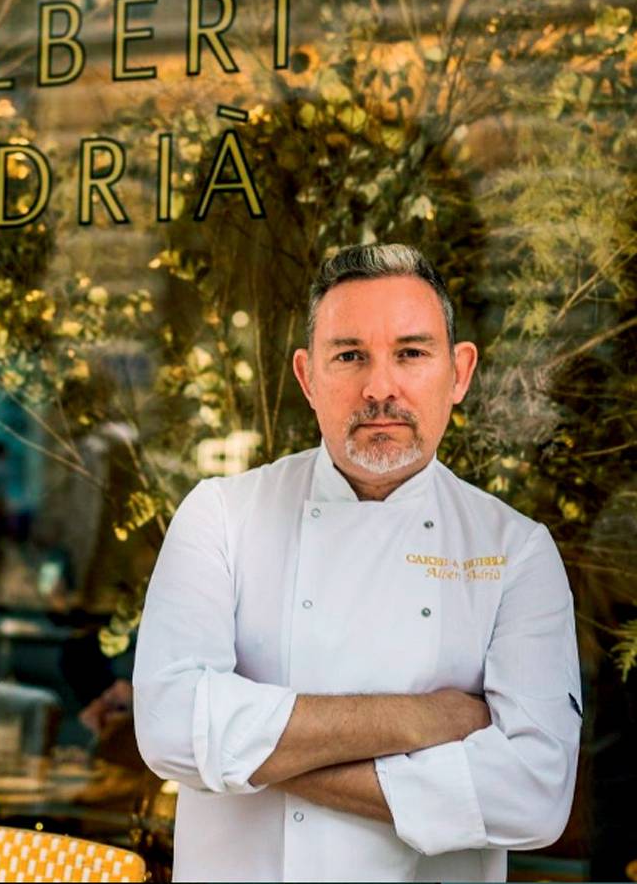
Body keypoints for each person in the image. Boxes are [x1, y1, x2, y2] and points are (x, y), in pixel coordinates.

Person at [133, 243, 582, 883]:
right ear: (306, 376)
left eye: (410, 353)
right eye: (349, 355)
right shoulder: (221, 516)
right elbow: (171, 727)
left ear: (459, 372)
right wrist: (427, 719)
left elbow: (535, 795)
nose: (380, 388)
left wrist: (255, 753)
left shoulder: (515, 551)